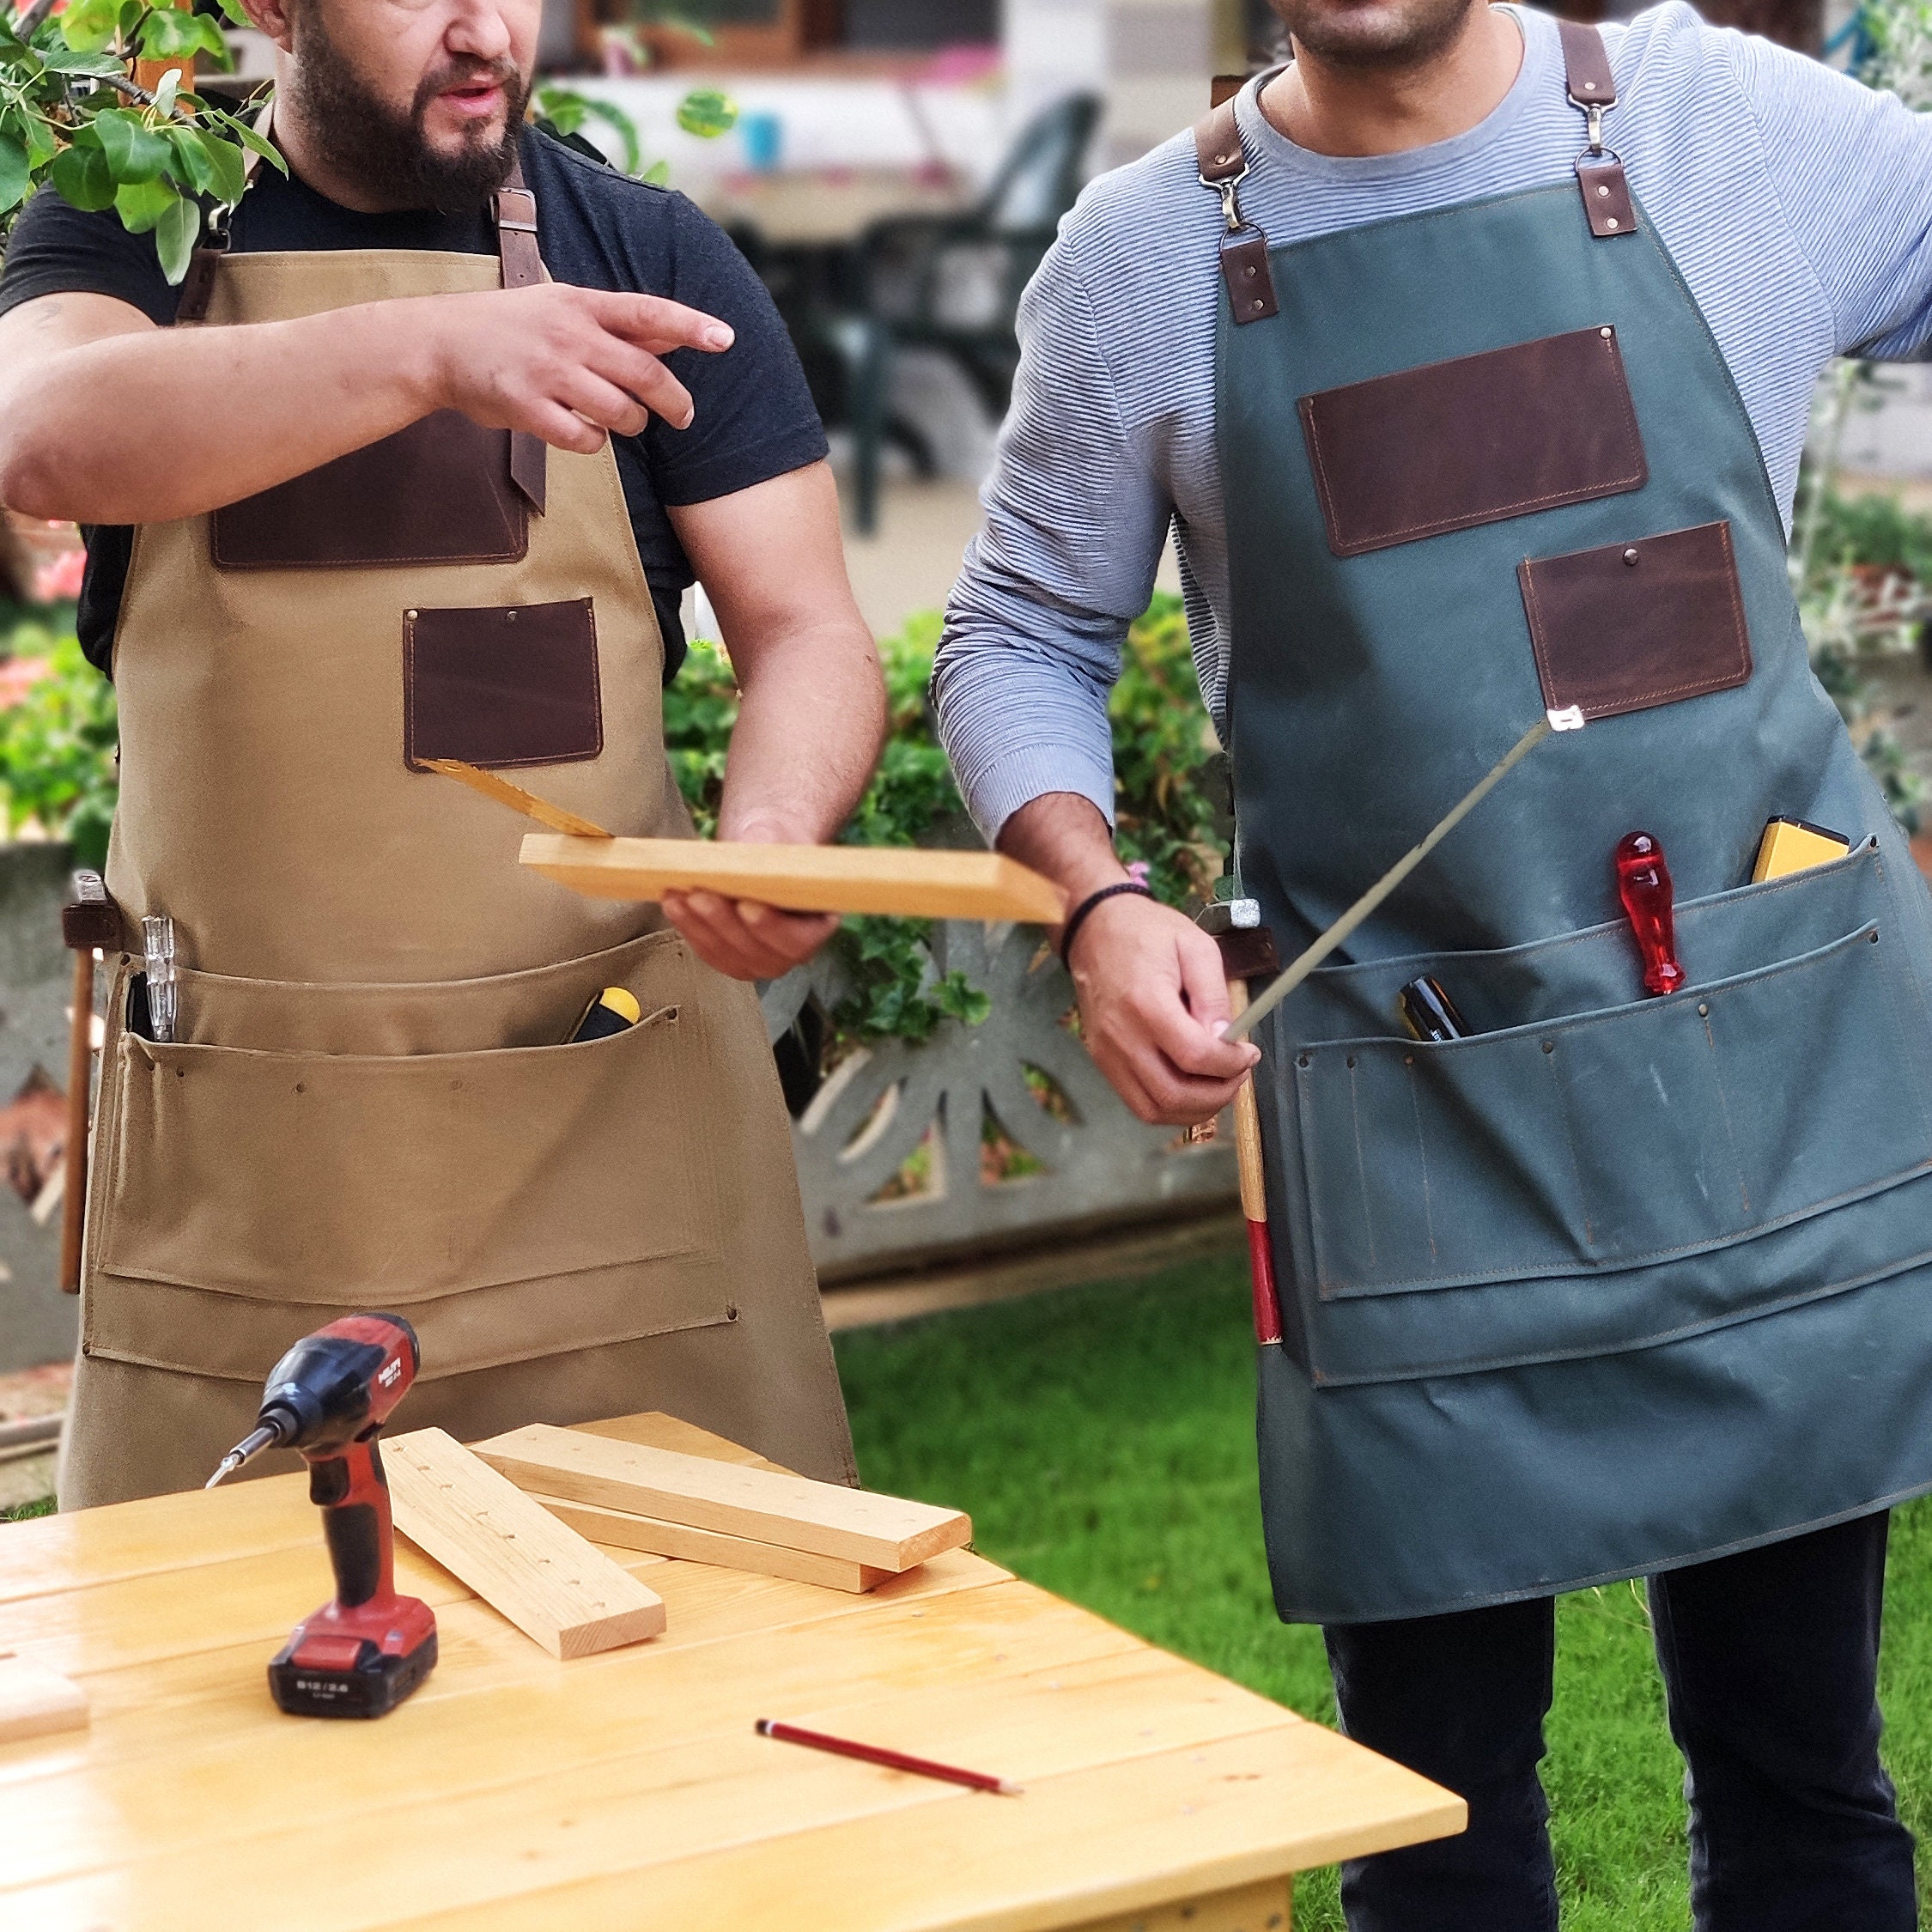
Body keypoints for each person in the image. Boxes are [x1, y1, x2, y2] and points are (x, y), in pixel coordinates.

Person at [935, 3, 1932, 1925]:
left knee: (1804, 1778)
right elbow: (1015, 630)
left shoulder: (1726, 124)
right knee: (1431, 1817)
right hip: (1409, 1127)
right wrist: (1099, 895)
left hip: (1754, 1073)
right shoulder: (1146, 258)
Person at [0, 0, 882, 1507]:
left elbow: (805, 625)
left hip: (608, 1147)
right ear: (275, 10)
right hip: (251, 1176)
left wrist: (774, 831)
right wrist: (432, 349)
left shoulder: (648, 249)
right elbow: (47, 432)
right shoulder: (125, 219)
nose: (485, 28)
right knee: (233, 1699)